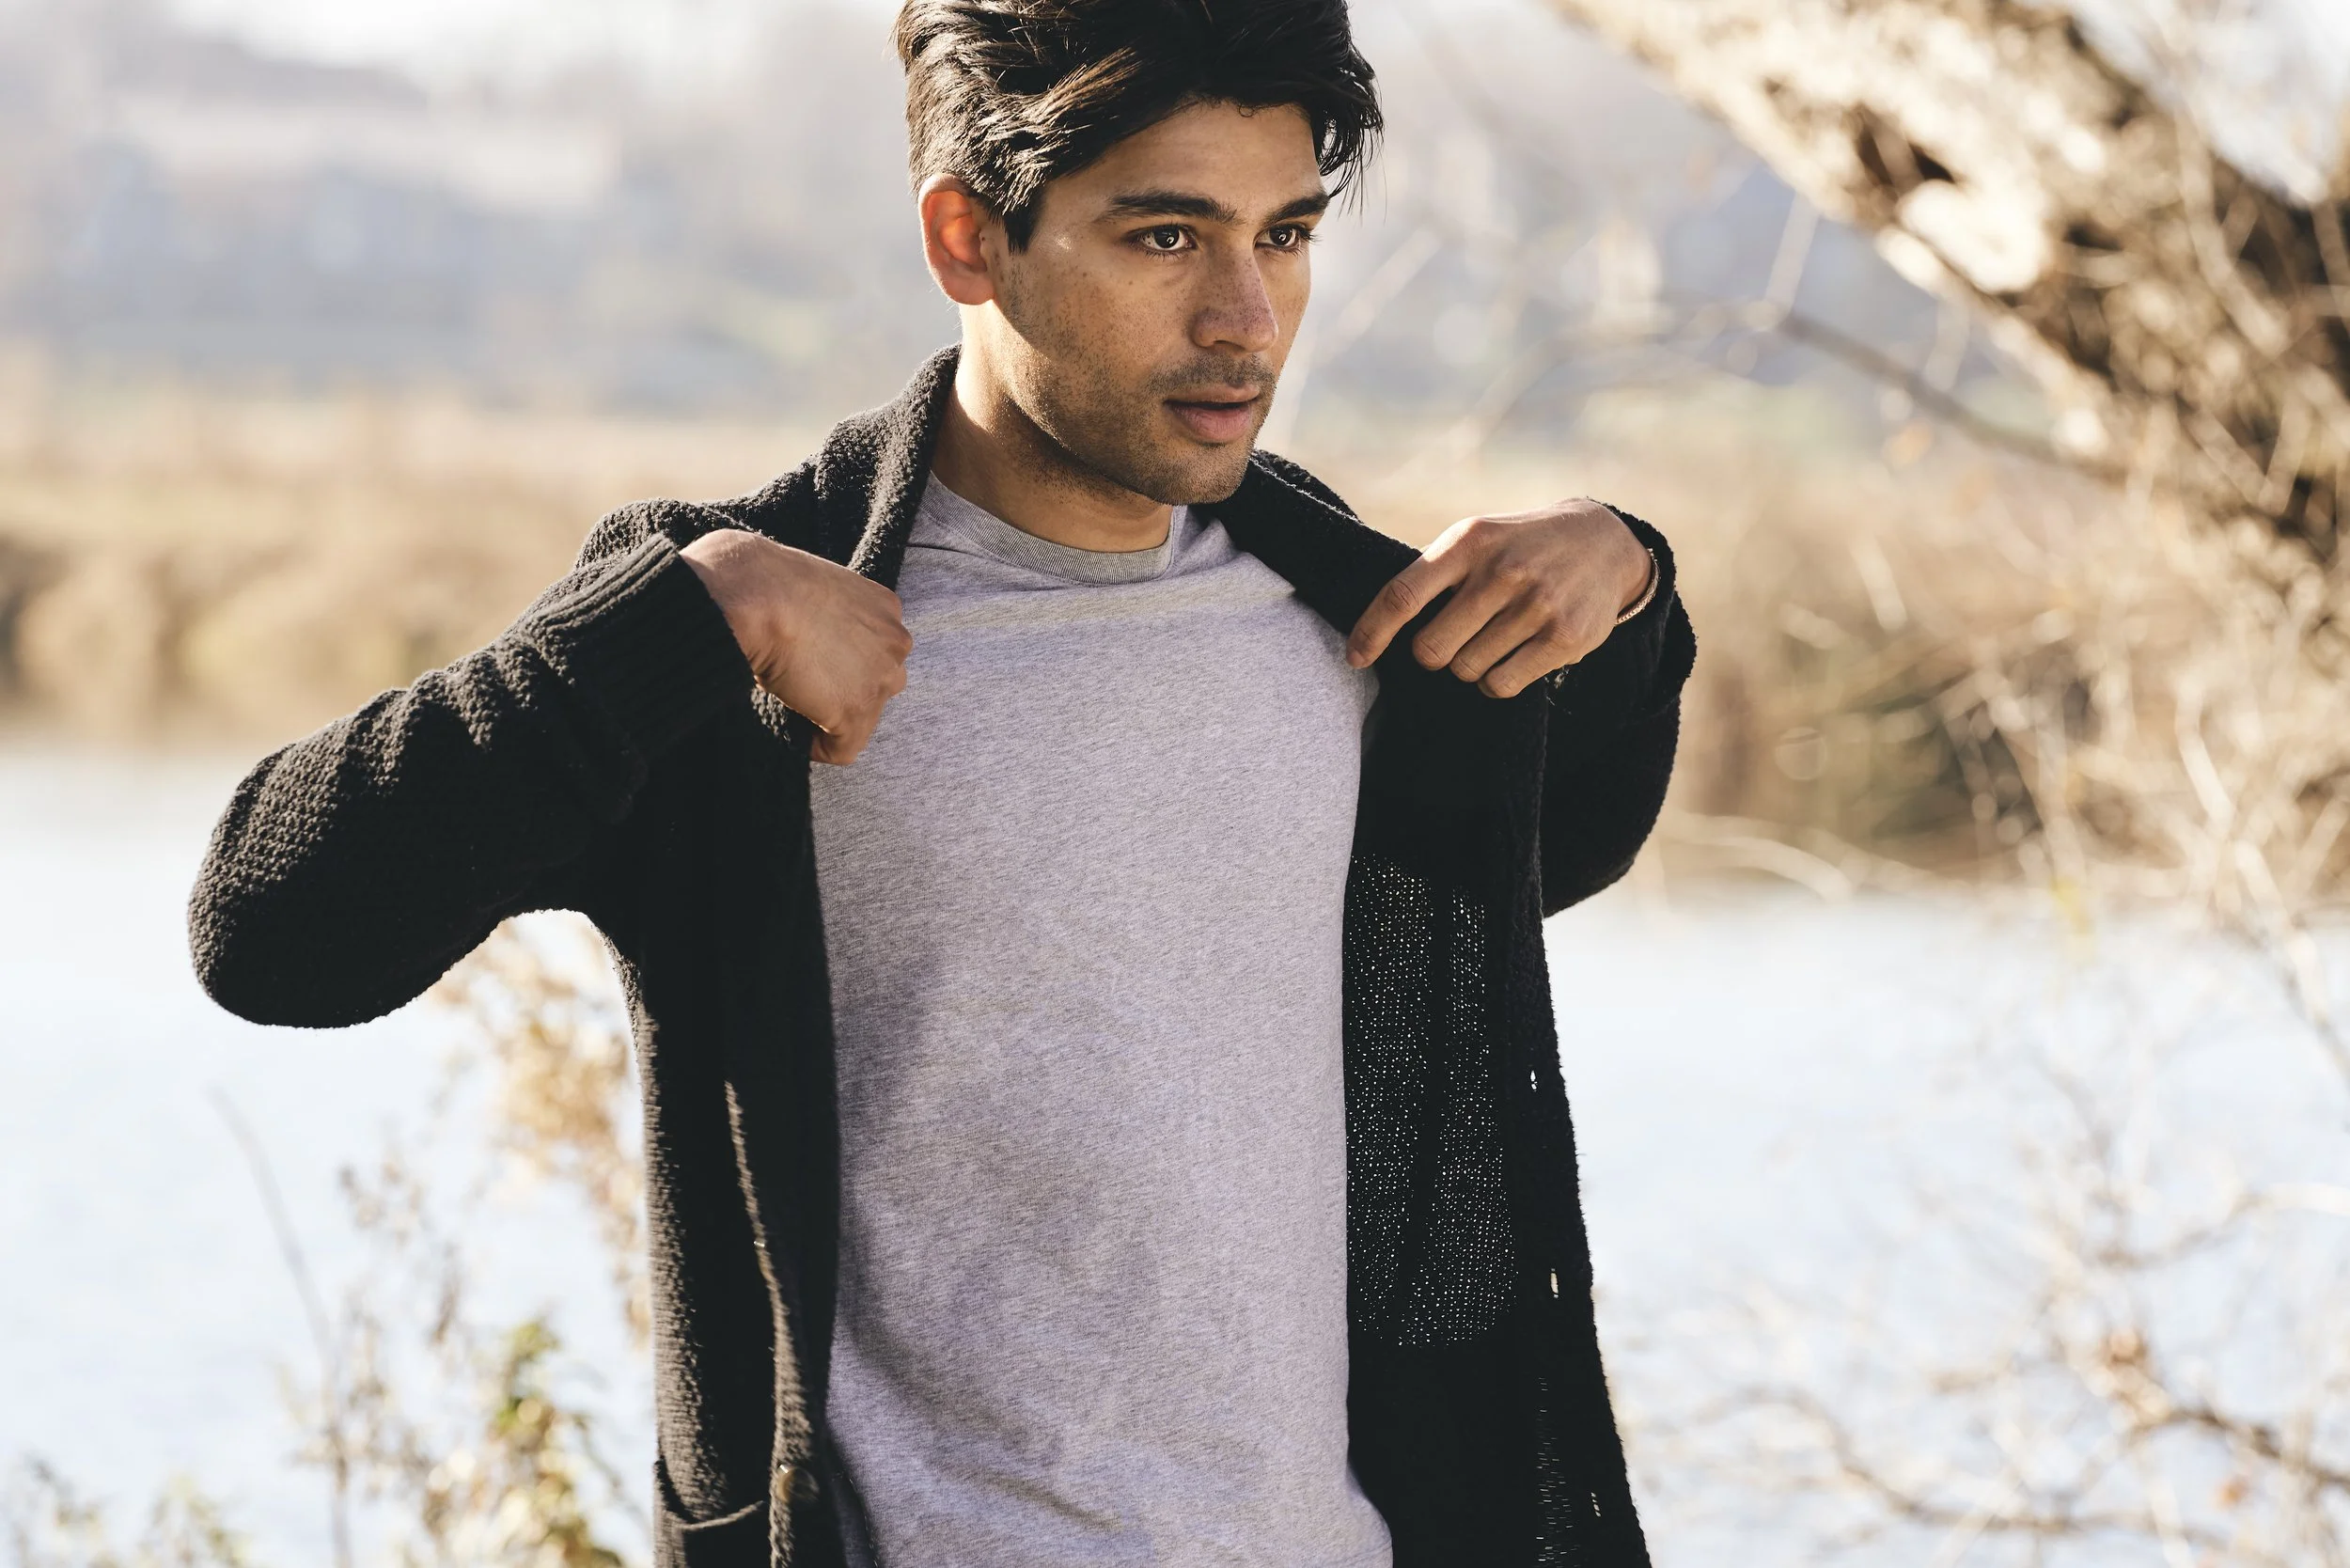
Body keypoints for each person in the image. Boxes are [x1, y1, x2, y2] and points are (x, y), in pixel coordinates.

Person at [188, 2, 1696, 1563]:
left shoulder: (1344, 615)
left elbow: (1555, 850)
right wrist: (669, 624)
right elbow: (272, 933)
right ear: (969, 238)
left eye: (1288, 233)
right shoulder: (733, 646)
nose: (1248, 319)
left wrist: (1634, 587)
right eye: (1166, 237)